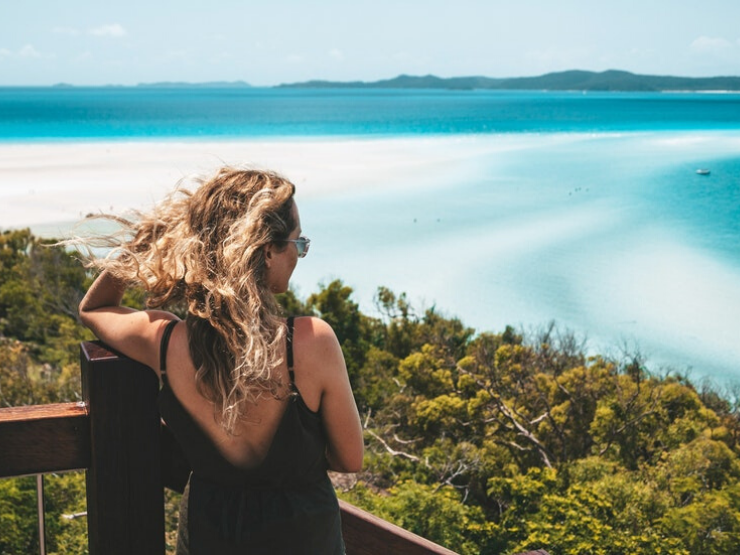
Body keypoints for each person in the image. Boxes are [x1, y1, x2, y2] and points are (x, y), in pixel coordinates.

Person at [77, 167, 364, 554]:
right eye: (298, 242)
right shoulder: (311, 343)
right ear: (266, 251)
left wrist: (147, 240)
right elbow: (349, 458)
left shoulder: (164, 343)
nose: (299, 253)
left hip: (210, 536)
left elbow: (94, 308)